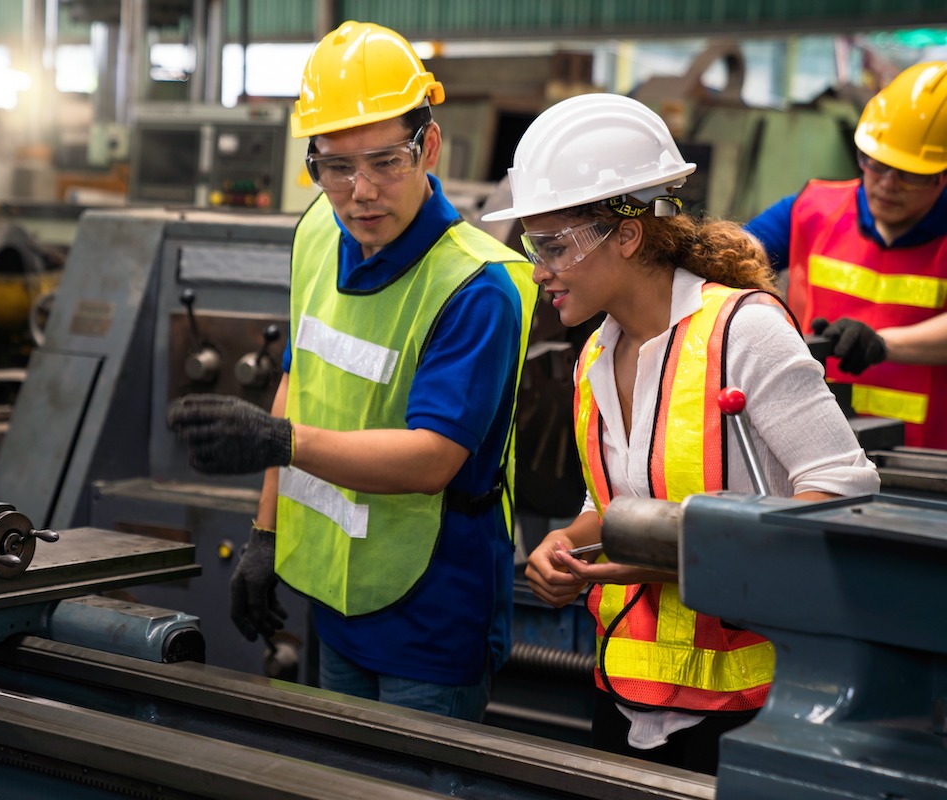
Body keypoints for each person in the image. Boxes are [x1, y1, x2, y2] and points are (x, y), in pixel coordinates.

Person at [481, 93, 880, 773]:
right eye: (531, 245)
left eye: (554, 246)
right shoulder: (597, 355)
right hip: (624, 689)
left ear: (628, 234)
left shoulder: (743, 332)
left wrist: (676, 563)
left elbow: (845, 500)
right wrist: (566, 542)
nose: (539, 269)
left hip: (756, 707)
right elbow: (618, 501)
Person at [167, 21, 539, 722]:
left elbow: (434, 457)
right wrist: (266, 534)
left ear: (428, 147)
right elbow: (297, 381)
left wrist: (281, 443)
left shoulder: (478, 286)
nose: (360, 191)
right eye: (335, 166)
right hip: (336, 595)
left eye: (386, 161)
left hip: (431, 611)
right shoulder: (316, 233)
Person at [746, 61, 947, 449]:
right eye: (876, 163)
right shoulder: (812, 209)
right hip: (816, 445)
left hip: (928, 463)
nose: (888, 184)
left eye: (912, 173)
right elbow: (739, 251)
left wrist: (882, 344)